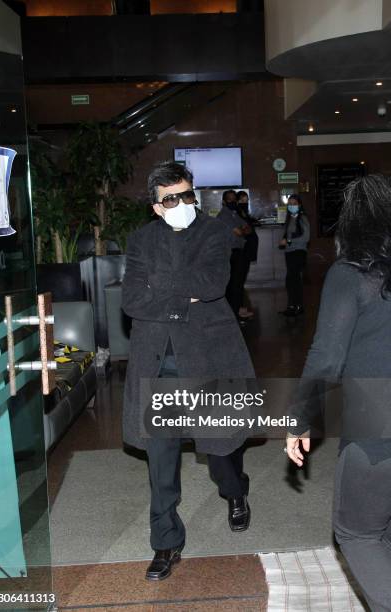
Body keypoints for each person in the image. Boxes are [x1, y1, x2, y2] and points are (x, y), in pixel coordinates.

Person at [121, 162, 255, 582]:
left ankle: (235, 492)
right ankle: (165, 542)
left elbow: (213, 282)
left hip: (208, 356)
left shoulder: (214, 232)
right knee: (161, 460)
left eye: (188, 195)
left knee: (219, 451)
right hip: (158, 362)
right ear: (157, 207)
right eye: (172, 199)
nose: (183, 204)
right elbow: (130, 300)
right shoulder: (141, 239)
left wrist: (159, 286)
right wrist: (181, 298)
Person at [286, 174, 391, 612]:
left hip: (377, 423)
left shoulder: (349, 276)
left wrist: (300, 420)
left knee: (358, 532)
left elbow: (326, 356)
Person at [217, 189, 250, 321]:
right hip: (230, 253)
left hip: (238, 252)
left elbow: (248, 228)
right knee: (233, 285)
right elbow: (240, 232)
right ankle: (233, 315)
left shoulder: (234, 214)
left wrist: (243, 230)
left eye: (234, 199)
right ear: (224, 202)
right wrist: (243, 230)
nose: (233, 201)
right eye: (229, 199)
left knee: (238, 283)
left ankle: (237, 311)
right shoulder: (224, 215)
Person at [278, 194, 310, 316]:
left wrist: (289, 241)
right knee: (290, 280)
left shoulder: (302, 218)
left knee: (294, 280)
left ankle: (298, 306)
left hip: (299, 252)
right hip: (289, 253)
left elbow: (306, 238)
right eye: (290, 204)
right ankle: (292, 306)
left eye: (294, 203)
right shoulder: (290, 218)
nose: (292, 206)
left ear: (299, 205)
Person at [236, 190, 259, 319]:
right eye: (242, 201)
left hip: (247, 252)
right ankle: (239, 308)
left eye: (246, 201)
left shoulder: (243, 213)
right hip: (242, 252)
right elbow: (243, 230)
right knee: (239, 281)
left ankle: (240, 307)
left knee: (241, 280)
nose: (244, 203)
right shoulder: (237, 214)